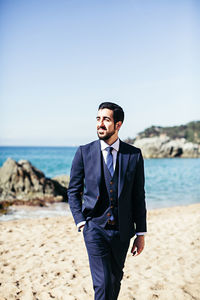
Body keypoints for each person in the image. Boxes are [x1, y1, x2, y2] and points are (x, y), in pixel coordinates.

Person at [68, 102, 147, 300]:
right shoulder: (84, 152)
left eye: (106, 119)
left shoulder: (134, 155)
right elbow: (73, 191)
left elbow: (138, 196)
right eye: (98, 119)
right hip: (94, 228)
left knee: (114, 281)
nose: (100, 124)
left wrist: (141, 233)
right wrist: (81, 221)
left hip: (123, 231)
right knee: (102, 283)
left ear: (118, 125)